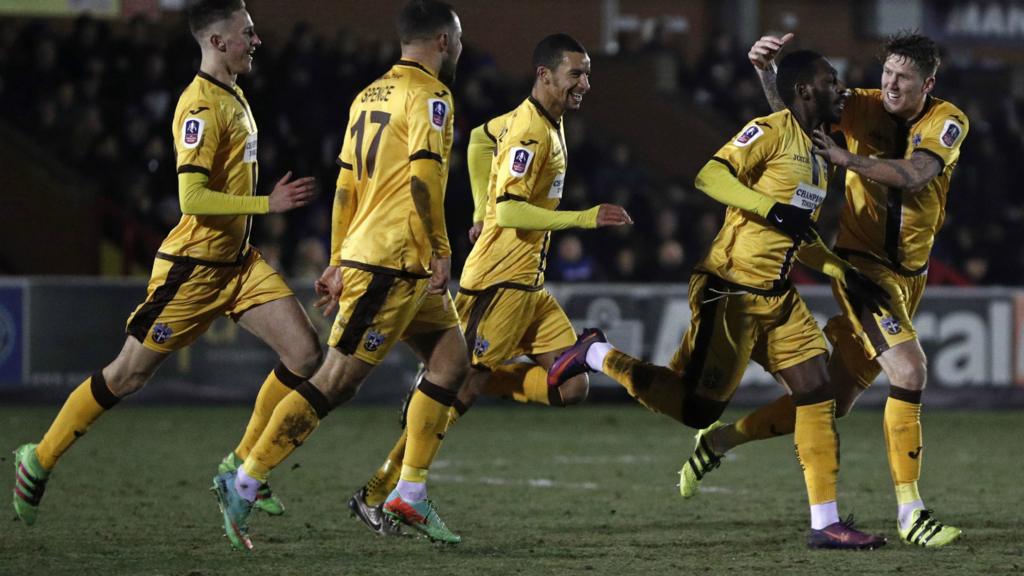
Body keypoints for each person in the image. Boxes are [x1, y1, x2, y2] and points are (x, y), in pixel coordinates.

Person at [550, 50, 891, 550]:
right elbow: (709, 176)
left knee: (819, 394)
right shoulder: (769, 130)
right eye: (830, 80)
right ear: (803, 90)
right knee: (696, 410)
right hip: (728, 288)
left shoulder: (823, 155)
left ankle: (825, 523)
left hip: (777, 295)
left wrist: (843, 271)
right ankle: (596, 353)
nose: (840, 89)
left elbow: (799, 234)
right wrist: (769, 209)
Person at [11, 0, 321, 527]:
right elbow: (192, 199)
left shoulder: (235, 95)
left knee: (306, 354)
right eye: (247, 32)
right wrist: (264, 205)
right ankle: (37, 459)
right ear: (217, 41)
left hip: (238, 265)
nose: (256, 40)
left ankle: (238, 467)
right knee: (127, 376)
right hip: (194, 271)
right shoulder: (199, 106)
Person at [678, 32, 967, 549]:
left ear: (929, 83)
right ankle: (911, 512)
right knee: (910, 369)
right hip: (862, 267)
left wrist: (845, 159)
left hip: (912, 275)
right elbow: (800, 116)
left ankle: (720, 439)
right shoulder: (861, 106)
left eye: (903, 78)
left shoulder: (947, 120)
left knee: (830, 403)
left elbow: (918, 175)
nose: (890, 85)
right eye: (886, 74)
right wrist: (768, 74)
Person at [346, 33, 632, 537]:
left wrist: (479, 209)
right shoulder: (531, 132)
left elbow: (479, 138)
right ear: (545, 75)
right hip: (498, 282)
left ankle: (447, 392)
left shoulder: (539, 122)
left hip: (530, 288)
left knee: (571, 387)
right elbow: (512, 210)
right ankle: (379, 493)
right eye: (576, 74)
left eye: (587, 73)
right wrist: (584, 218)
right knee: (456, 395)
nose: (585, 83)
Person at [210, 0, 468, 549]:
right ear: (443, 41)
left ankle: (408, 497)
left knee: (451, 362)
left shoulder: (368, 95)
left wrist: (336, 256)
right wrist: (440, 248)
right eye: (459, 40)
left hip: (386, 258)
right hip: (394, 261)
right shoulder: (432, 96)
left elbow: (346, 184)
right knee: (335, 381)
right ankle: (244, 479)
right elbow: (424, 179)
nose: (461, 49)